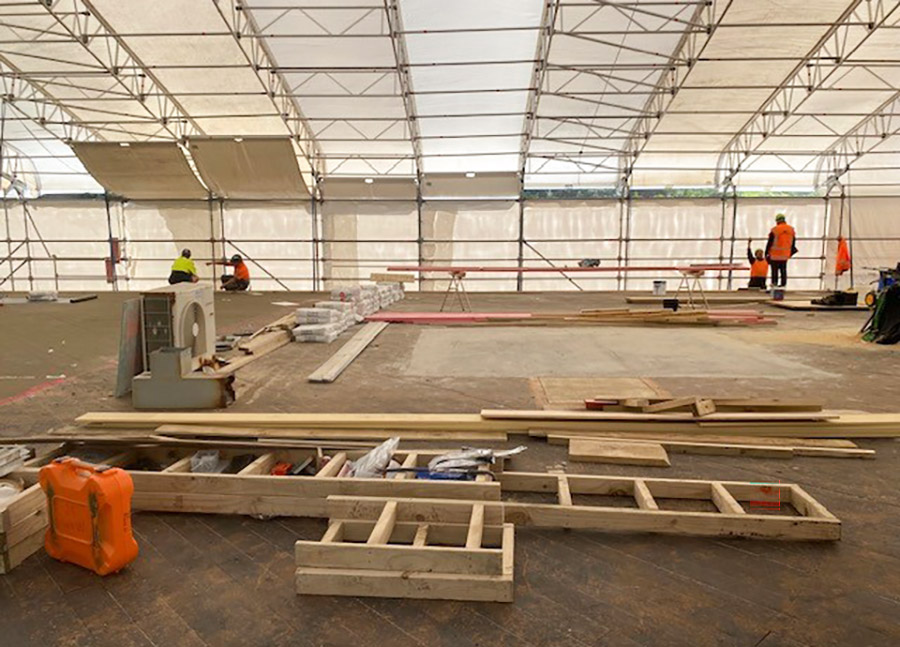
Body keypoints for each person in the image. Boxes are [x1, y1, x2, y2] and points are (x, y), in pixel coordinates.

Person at [765, 213, 797, 288]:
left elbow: (770, 242)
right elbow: (793, 241)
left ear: (777, 221)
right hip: (785, 254)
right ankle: (783, 285)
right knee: (783, 270)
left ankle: (774, 284)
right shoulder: (791, 229)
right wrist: (791, 251)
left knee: (774, 271)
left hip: (775, 254)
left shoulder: (775, 229)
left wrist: (766, 252)